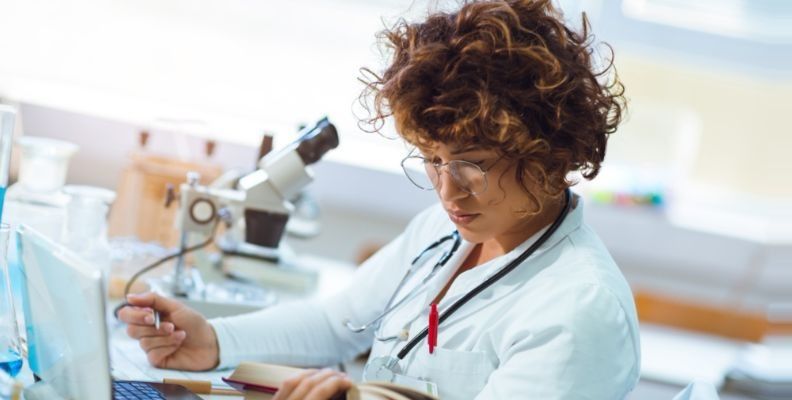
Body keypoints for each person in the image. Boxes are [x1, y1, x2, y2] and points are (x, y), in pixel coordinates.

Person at [118, 0, 640, 398]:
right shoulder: (446, 232)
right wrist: (212, 341)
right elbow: (334, 323)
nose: (447, 190)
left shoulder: (579, 311)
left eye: (472, 165)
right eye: (433, 159)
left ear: (549, 152)